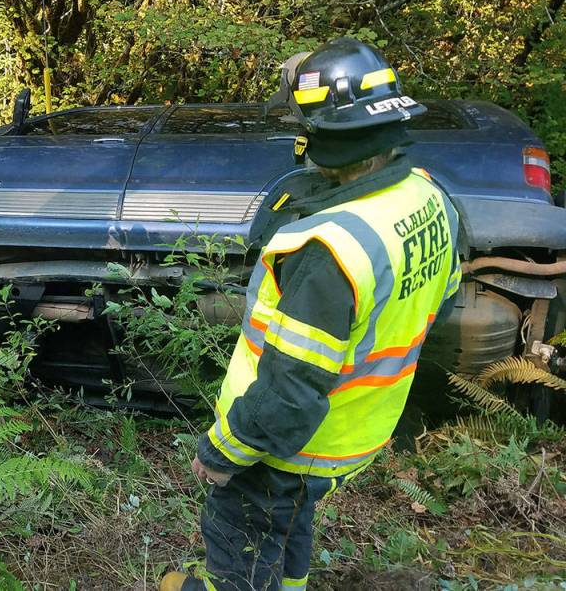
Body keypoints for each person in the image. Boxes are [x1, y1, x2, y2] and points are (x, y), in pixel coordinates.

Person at [160, 38, 462, 591]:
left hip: (283, 446)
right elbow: (443, 296)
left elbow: (291, 391)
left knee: (243, 542)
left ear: (321, 139)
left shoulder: (330, 249)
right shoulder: (426, 196)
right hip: (354, 430)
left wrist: (224, 452)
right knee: (289, 525)